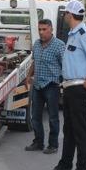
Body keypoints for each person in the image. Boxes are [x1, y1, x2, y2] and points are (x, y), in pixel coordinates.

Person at [43, 0, 86, 170]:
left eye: (65, 14)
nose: (64, 17)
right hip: (69, 87)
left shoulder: (84, 34)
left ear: (69, 15)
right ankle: (65, 166)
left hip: (79, 88)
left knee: (81, 132)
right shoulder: (72, 34)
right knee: (69, 130)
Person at [25, 18, 65, 154]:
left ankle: (53, 145)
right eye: (40, 30)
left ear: (51, 29)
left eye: (44, 29)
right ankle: (38, 142)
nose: (41, 32)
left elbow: (64, 66)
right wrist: (28, 76)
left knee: (53, 117)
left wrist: (64, 83)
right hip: (37, 85)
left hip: (52, 86)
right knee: (35, 116)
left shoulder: (59, 45)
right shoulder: (36, 44)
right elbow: (35, 62)